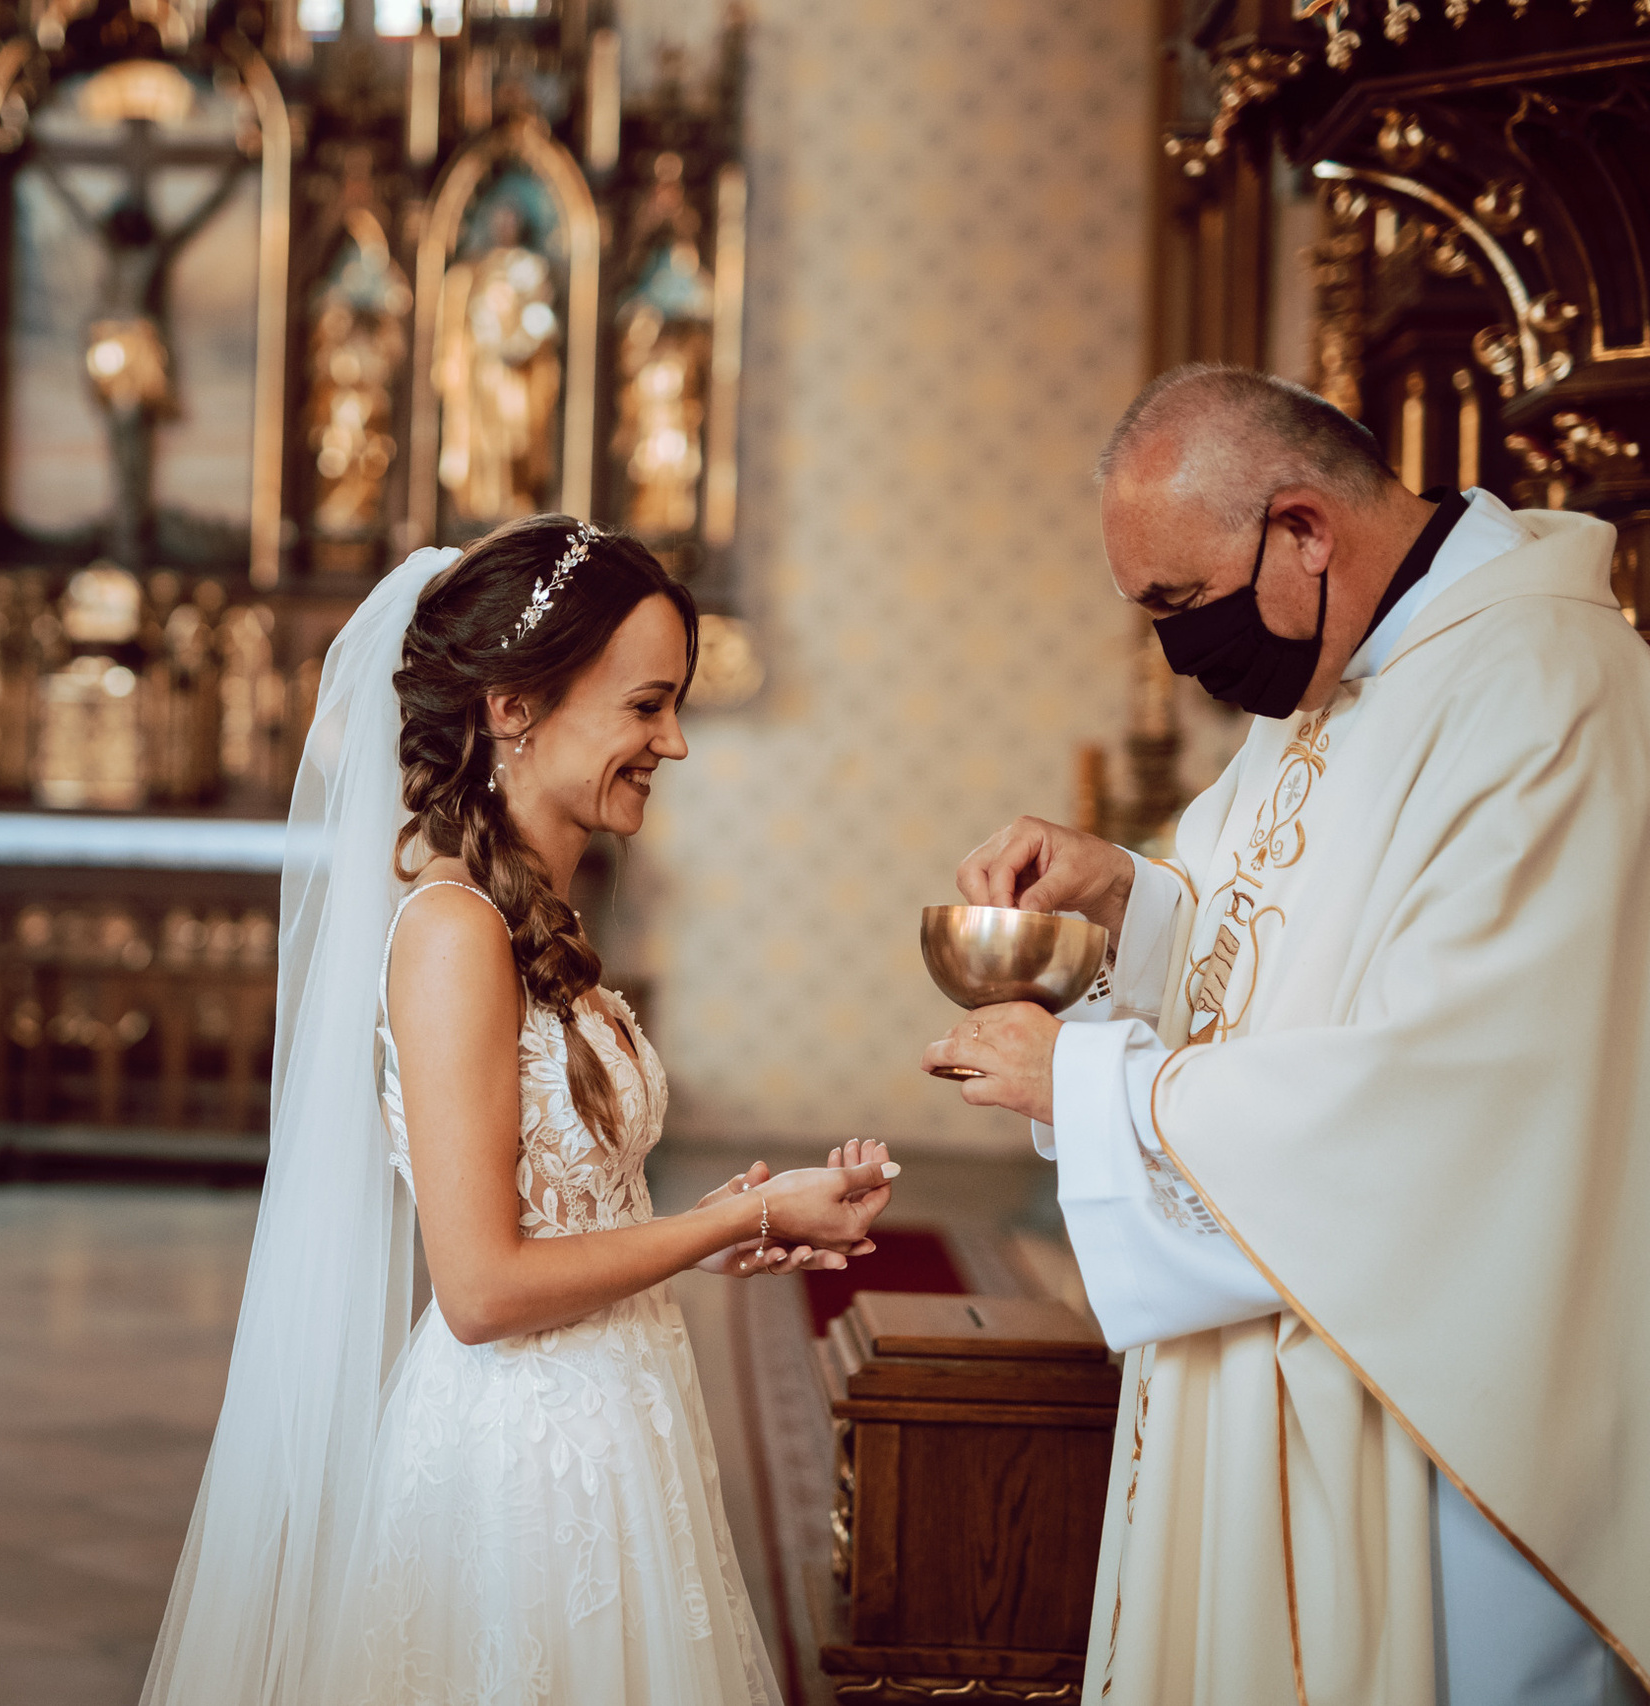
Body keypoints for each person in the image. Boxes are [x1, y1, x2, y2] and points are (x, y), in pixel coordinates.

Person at [927, 365, 1650, 1705]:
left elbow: (1449, 1086)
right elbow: (1279, 945)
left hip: (1436, 1399)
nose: (1181, 655)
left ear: (1304, 529)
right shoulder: (1347, 663)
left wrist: (1090, 1084)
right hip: (1295, 1339)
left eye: (1180, 604)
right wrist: (1130, 892)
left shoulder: (1547, 689)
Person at [142, 516, 902, 1706]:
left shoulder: (537, 920)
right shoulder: (454, 934)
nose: (674, 741)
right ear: (512, 707)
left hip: (617, 1425)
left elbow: (566, 1210)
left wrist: (721, 1225)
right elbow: (482, 1288)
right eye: (646, 705)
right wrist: (734, 1217)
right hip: (522, 1467)